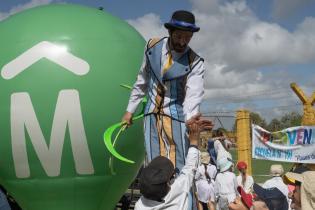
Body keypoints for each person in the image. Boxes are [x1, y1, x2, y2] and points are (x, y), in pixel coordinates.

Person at [122, 10, 205, 172]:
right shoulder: (152, 46)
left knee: (179, 165)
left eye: (188, 38)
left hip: (177, 119)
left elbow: (193, 95)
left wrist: (190, 120)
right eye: (179, 37)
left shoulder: (195, 62)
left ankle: (181, 197)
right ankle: (154, 198)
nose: (183, 42)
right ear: (170, 31)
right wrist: (129, 111)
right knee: (153, 165)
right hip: (150, 117)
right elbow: (142, 81)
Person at [134, 118, 213, 210]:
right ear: (167, 185)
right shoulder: (178, 191)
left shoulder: (139, 205)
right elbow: (190, 167)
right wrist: (194, 141)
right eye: (172, 177)